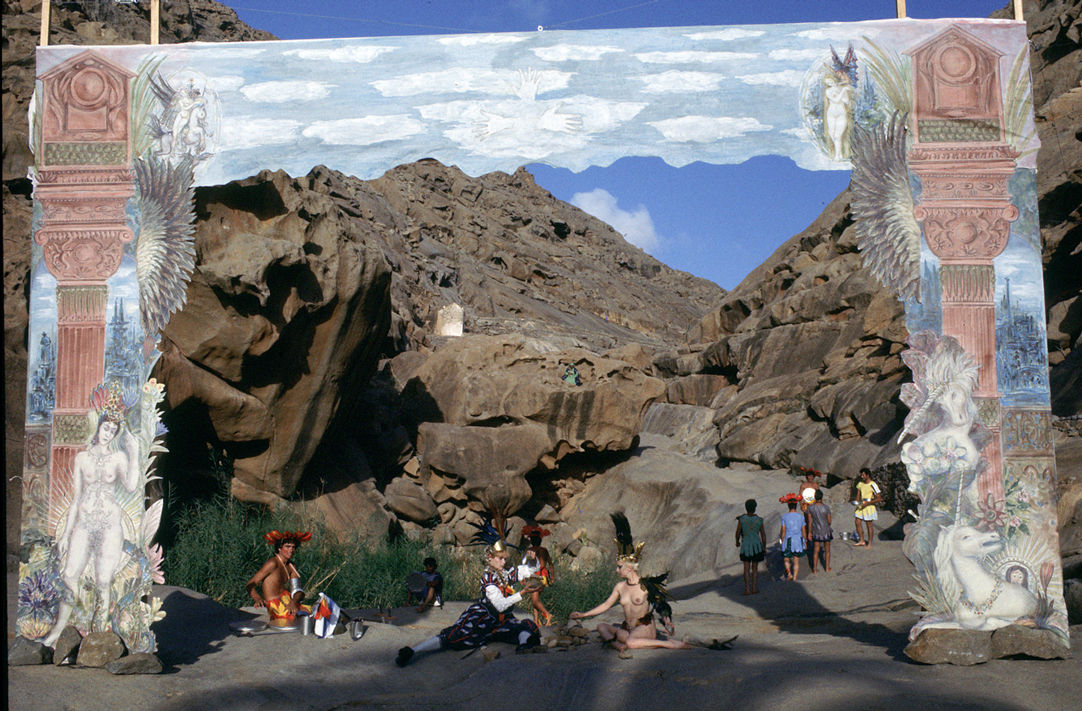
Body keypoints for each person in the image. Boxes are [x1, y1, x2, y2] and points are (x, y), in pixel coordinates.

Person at [42, 397, 140, 648]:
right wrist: (65, 535)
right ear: (98, 427)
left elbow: (131, 486)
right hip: (84, 524)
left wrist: (134, 453)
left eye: (113, 430)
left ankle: (98, 638)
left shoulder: (118, 457)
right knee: (69, 574)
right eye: (106, 428)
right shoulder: (82, 458)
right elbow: (75, 499)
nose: (108, 433)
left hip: (109, 526)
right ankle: (58, 631)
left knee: (104, 581)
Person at [396, 541, 542, 667]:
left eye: (505, 559)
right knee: (457, 634)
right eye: (500, 558)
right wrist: (522, 593)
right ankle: (413, 651)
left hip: (501, 621)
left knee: (527, 626)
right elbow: (500, 605)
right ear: (490, 558)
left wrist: (533, 558)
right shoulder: (488, 578)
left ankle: (523, 647)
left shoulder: (506, 573)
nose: (503, 562)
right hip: (484, 615)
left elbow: (531, 569)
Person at [569, 513, 691, 654]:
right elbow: (606, 605)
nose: (617, 570)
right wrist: (583, 615)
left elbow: (660, 604)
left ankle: (669, 644)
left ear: (629, 568)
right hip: (628, 629)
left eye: (619, 567)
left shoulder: (645, 585)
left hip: (645, 628)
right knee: (601, 626)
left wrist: (667, 620)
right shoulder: (620, 587)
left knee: (631, 642)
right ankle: (617, 645)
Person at [246, 530, 313, 621]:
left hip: (289, 602)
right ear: (279, 548)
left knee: (317, 611)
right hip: (275, 607)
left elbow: (298, 591)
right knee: (299, 619)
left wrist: (293, 602)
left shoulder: (291, 566)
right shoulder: (272, 564)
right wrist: (258, 599)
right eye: (287, 546)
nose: (291, 550)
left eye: (293, 547)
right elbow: (249, 585)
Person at [518, 525, 555, 626]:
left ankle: (548, 615)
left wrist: (522, 577)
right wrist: (552, 576)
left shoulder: (530, 550)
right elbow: (551, 564)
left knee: (535, 600)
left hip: (535, 576)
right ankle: (535, 621)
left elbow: (525, 565)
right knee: (536, 599)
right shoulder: (544, 550)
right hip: (544, 576)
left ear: (531, 541)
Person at [735, 499, 766, 595]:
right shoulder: (759, 520)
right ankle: (754, 588)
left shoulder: (742, 519)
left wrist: (737, 541)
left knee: (746, 568)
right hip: (757, 546)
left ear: (746, 508)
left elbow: (738, 532)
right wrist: (764, 547)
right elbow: (763, 535)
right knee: (755, 568)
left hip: (746, 546)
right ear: (755, 508)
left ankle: (747, 589)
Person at [779, 494, 807, 580]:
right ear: (796, 505)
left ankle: (789, 573)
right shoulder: (801, 517)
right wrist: (805, 542)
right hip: (798, 540)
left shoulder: (784, 517)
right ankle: (794, 578)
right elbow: (803, 530)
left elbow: (783, 530)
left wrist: (782, 540)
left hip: (788, 539)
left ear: (788, 506)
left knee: (786, 559)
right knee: (796, 561)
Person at [853, 468, 882, 548]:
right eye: (861, 475)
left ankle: (870, 543)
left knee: (869, 524)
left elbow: (879, 498)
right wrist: (856, 502)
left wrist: (868, 503)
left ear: (868, 475)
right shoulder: (860, 484)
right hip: (861, 505)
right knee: (857, 522)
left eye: (863, 475)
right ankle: (861, 540)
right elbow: (858, 495)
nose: (862, 477)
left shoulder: (873, 484)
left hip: (869, 505)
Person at [805, 489, 833, 573]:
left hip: (816, 530)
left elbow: (809, 521)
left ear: (815, 497)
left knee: (816, 550)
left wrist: (809, 532)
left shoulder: (811, 508)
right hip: (826, 530)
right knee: (827, 549)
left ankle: (814, 569)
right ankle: (827, 567)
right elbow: (829, 521)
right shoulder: (826, 507)